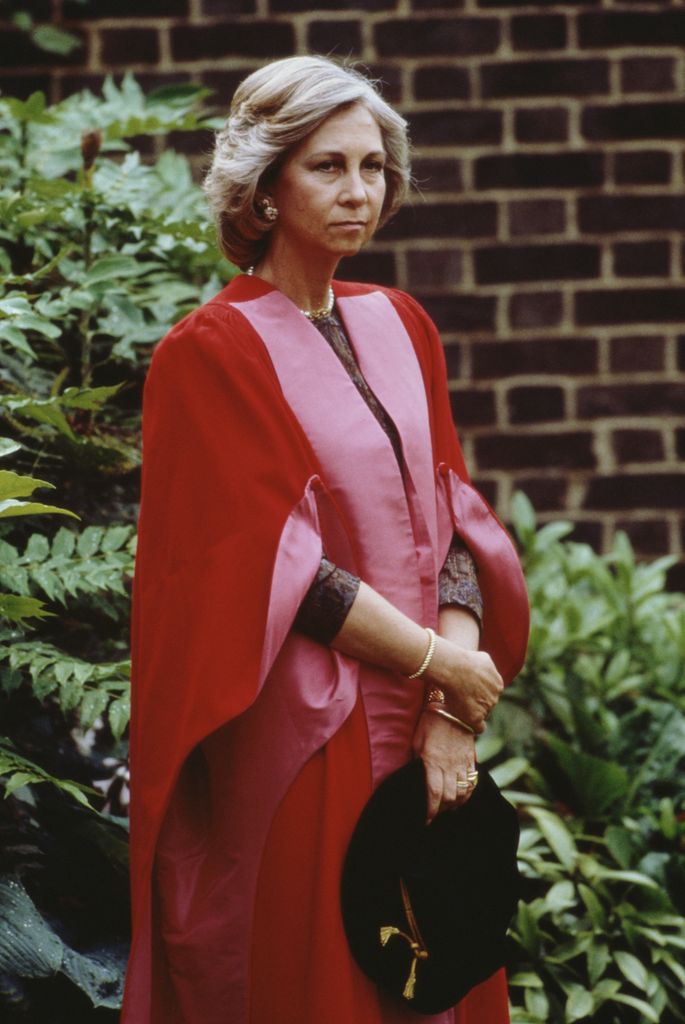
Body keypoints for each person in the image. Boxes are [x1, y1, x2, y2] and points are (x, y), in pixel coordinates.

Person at [121, 55, 529, 1024]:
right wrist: (440, 664)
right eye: (326, 167)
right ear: (264, 188)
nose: (359, 191)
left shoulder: (403, 324)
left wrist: (451, 702)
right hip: (311, 731)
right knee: (325, 983)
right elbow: (273, 565)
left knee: (439, 950)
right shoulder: (208, 352)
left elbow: (455, 523)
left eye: (373, 166)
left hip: (428, 711)